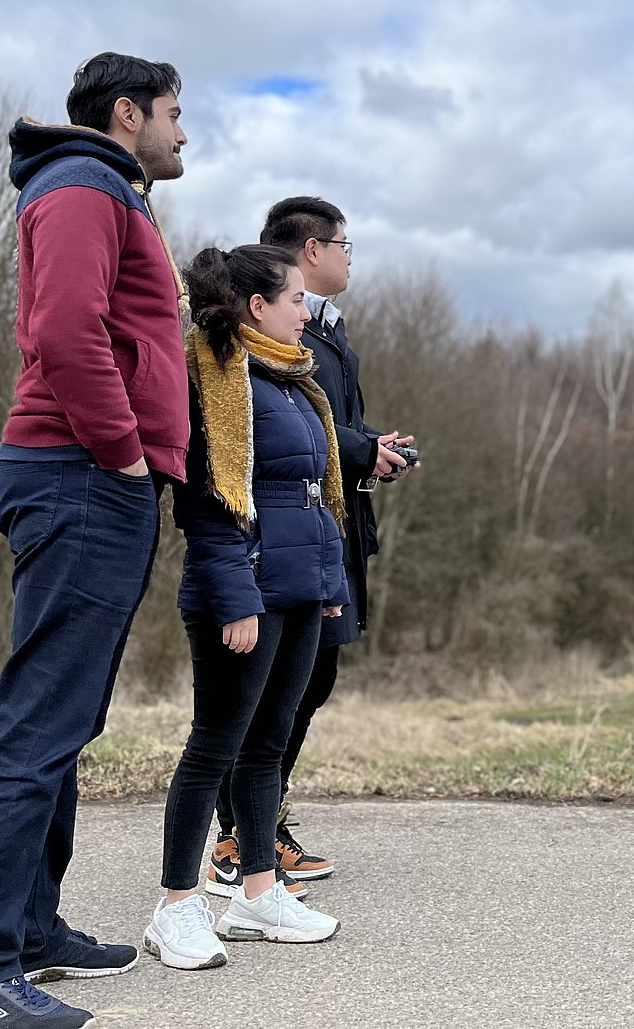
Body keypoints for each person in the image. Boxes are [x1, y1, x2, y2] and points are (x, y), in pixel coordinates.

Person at [0, 53, 189, 1029]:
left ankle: (31, 929)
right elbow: (65, 330)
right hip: (81, 475)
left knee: (66, 721)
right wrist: (124, 451)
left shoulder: (108, 190)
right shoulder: (83, 183)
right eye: (174, 113)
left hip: (95, 478)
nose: (184, 131)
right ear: (127, 113)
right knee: (37, 724)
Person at [143, 245, 352, 968]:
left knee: (267, 747)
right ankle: (176, 907)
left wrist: (330, 588)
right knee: (214, 748)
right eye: (295, 298)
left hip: (297, 592)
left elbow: (313, 497)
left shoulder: (290, 380)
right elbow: (207, 501)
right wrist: (236, 601)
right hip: (243, 595)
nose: (305, 311)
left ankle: (258, 895)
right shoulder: (215, 378)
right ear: (258, 307)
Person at [200, 196, 413, 894]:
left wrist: (373, 448)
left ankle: (262, 831)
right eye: (344, 244)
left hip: (332, 532)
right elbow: (274, 435)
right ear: (310, 250)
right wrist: (363, 449)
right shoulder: (260, 342)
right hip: (281, 541)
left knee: (310, 686)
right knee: (269, 698)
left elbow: (327, 424)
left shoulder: (327, 331)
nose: (352, 257)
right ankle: (240, 841)